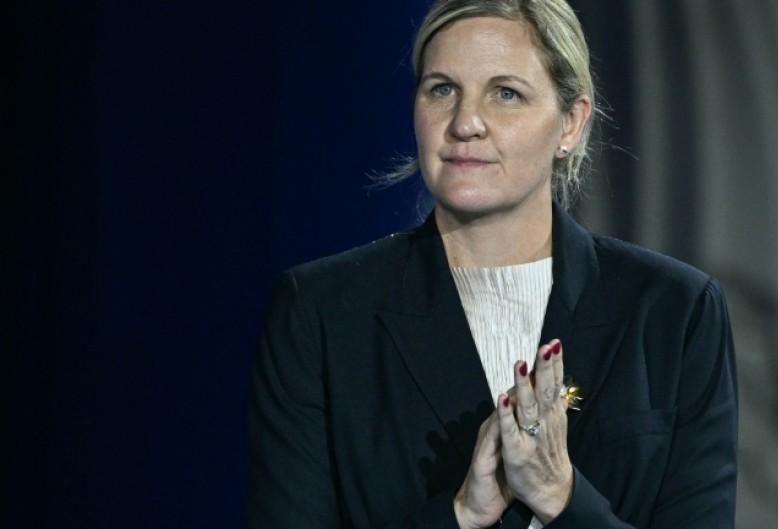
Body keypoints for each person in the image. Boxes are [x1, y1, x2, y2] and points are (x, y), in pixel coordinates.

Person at [246, 0, 737, 528]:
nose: (465, 123)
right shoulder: (321, 313)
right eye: (442, 89)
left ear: (570, 123)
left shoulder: (673, 312)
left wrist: (563, 498)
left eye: (506, 93)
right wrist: (461, 516)